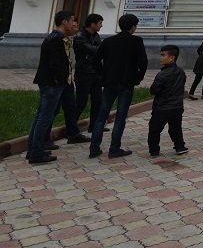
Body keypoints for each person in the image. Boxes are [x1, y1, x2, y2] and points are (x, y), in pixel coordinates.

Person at [89, 13, 148, 159]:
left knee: (102, 116)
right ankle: (114, 148)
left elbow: (95, 60)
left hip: (109, 82)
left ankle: (94, 148)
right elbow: (143, 61)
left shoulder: (109, 41)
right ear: (133, 27)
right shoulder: (136, 41)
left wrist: (103, 74)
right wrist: (138, 77)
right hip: (127, 82)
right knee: (121, 116)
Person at [26, 10, 80, 164]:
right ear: (64, 22)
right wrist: (61, 80)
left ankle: (33, 150)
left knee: (40, 116)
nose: (73, 24)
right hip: (52, 83)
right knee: (44, 117)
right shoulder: (55, 39)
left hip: (51, 82)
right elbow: (55, 64)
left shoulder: (58, 38)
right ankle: (36, 151)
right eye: (71, 21)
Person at [148, 44, 188, 157]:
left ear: (172, 58)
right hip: (177, 106)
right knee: (175, 128)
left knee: (154, 129)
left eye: (163, 55)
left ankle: (154, 150)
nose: (160, 57)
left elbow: (154, 90)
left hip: (162, 107)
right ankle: (180, 146)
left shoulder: (162, 75)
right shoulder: (181, 72)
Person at [73, 14, 105, 132]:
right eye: (100, 23)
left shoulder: (96, 36)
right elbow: (95, 51)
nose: (101, 25)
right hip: (84, 73)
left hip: (95, 72)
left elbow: (99, 51)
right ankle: (72, 127)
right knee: (81, 102)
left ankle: (94, 126)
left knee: (98, 100)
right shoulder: (79, 37)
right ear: (92, 24)